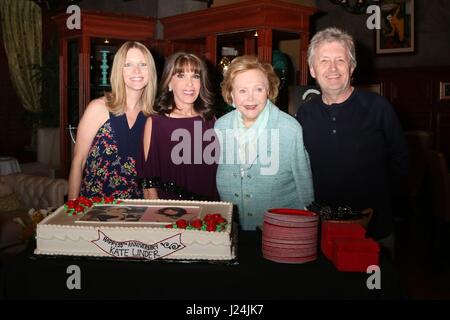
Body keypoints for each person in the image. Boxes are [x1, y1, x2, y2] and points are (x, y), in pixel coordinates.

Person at [296, 27, 409, 254]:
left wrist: (384, 202)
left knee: (377, 288)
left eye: (340, 60)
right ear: (313, 70)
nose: (333, 68)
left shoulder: (379, 108)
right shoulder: (304, 114)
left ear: (352, 67)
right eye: (324, 61)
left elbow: (401, 162)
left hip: (375, 229)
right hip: (322, 229)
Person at [215, 55, 314, 231]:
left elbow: (305, 187)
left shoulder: (289, 129)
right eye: (242, 91)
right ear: (231, 94)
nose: (250, 99)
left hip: (280, 232)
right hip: (232, 231)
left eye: (258, 89)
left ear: (269, 90)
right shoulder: (221, 126)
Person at [68, 41, 157, 200]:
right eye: (128, 64)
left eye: (143, 64)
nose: (136, 70)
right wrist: (71, 210)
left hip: (135, 212)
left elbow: (150, 176)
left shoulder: (153, 117)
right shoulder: (98, 108)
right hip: (94, 210)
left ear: (150, 70)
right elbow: (78, 162)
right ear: (118, 71)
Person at [138, 52, 219, 201]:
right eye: (181, 76)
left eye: (195, 76)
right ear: (169, 83)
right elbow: (149, 183)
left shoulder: (211, 121)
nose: (190, 84)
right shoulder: (156, 123)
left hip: (210, 211)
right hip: (171, 213)